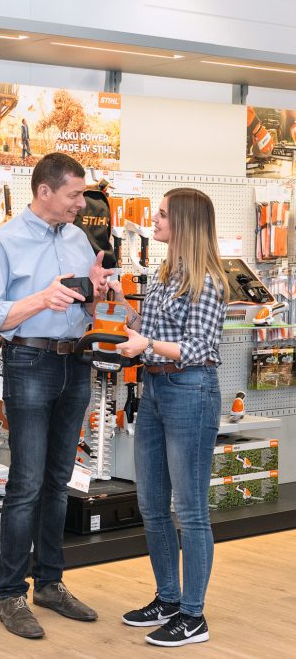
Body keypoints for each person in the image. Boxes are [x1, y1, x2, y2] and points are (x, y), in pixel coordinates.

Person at [0, 152, 114, 639]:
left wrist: (96, 293)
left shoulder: (77, 238)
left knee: (59, 481)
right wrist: (42, 297)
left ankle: (50, 584)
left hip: (75, 362)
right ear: (45, 192)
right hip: (29, 363)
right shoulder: (3, 240)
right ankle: (10, 594)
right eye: (74, 195)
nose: (81, 204)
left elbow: (86, 307)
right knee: (27, 484)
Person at [114, 188, 227, 647]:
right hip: (156, 389)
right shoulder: (165, 274)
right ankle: (168, 598)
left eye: (161, 214)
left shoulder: (208, 280)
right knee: (152, 504)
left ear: (184, 223)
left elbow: (199, 348)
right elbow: (147, 331)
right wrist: (117, 302)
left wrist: (148, 346)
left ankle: (193, 616)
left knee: (192, 511)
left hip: (191, 391)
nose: (154, 220)